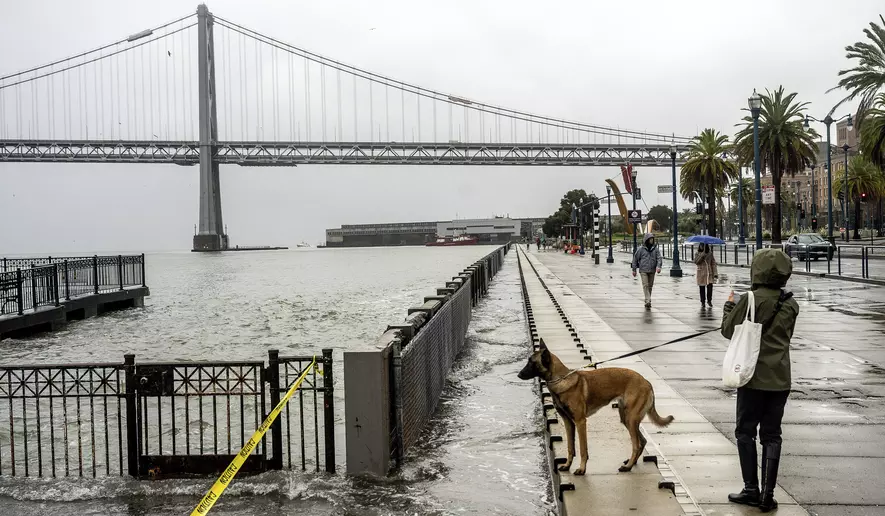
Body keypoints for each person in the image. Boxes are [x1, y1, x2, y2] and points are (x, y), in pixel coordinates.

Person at [721, 248, 799, 512]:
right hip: (780, 379)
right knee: (772, 435)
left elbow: (727, 330)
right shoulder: (790, 303)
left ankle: (751, 489)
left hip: (752, 377)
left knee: (745, 432)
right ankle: (768, 493)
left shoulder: (750, 299)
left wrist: (729, 307)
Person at [631, 233, 662, 308]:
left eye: (652, 239)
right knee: (645, 285)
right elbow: (635, 259)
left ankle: (647, 299)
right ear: (647, 240)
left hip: (652, 270)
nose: (652, 240)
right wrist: (634, 269)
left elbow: (659, 258)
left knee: (650, 286)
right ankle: (648, 300)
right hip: (643, 270)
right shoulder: (640, 249)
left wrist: (658, 266)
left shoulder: (655, 249)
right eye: (650, 239)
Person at [694, 243, 718, 308]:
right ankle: (702, 302)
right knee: (702, 288)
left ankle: (709, 300)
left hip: (709, 273)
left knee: (710, 287)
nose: (701, 247)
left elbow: (713, 263)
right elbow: (696, 262)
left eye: (703, 246)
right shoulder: (697, 253)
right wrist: (702, 255)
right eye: (701, 245)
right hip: (701, 273)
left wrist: (715, 273)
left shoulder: (710, 253)